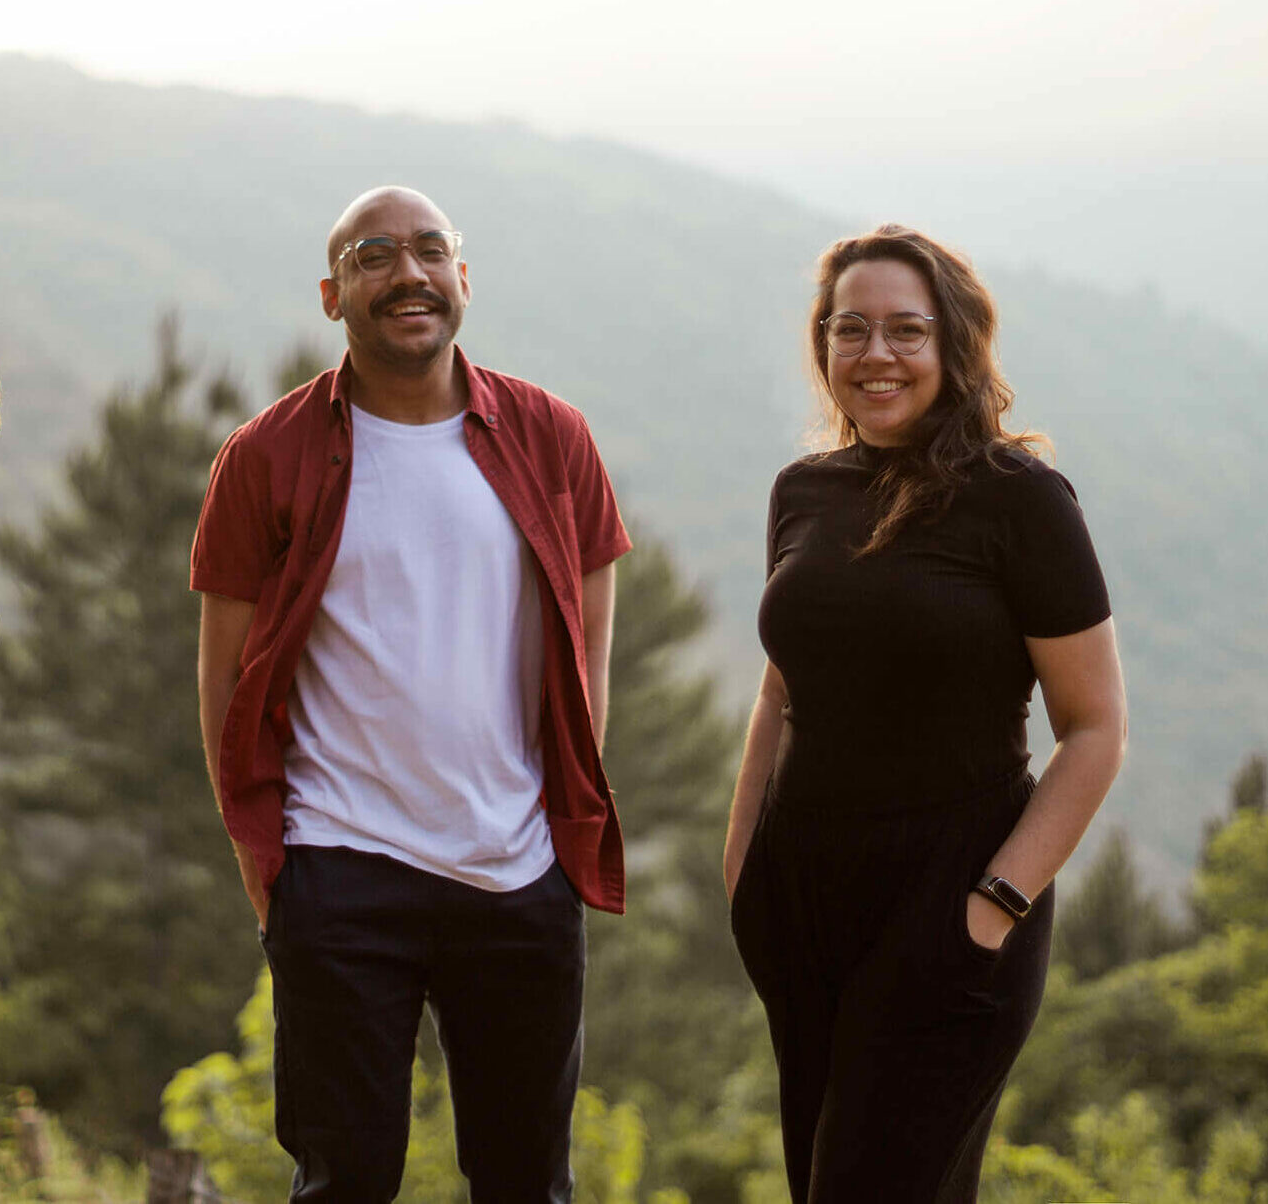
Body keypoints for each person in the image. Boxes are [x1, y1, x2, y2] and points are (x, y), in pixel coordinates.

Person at [191, 185, 630, 1199]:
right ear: (331, 292)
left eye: (428, 250)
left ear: (461, 278)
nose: (407, 274)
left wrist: (559, 820)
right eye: (372, 255)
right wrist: (268, 857)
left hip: (518, 872)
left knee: (527, 1181)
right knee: (345, 1179)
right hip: (341, 865)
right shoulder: (265, 457)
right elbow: (223, 670)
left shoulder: (549, 435)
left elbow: (591, 632)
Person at [723, 224, 1128, 1202]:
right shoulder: (801, 491)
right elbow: (779, 688)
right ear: (822, 345)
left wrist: (990, 906)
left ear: (952, 344)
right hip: (803, 901)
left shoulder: (1019, 500)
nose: (874, 353)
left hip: (950, 897)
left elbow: (1094, 728)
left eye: (903, 330)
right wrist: (742, 871)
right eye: (848, 328)